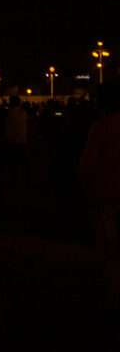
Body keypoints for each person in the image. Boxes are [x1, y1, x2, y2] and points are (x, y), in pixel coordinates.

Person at [78, 83, 120, 310]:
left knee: (110, 256)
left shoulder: (101, 128)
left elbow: (86, 165)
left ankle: (113, 303)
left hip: (107, 197)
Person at [4, 95, 29, 189]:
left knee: (14, 165)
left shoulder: (8, 113)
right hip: (23, 142)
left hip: (12, 143)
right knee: (24, 164)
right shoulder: (24, 114)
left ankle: (15, 183)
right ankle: (27, 181)